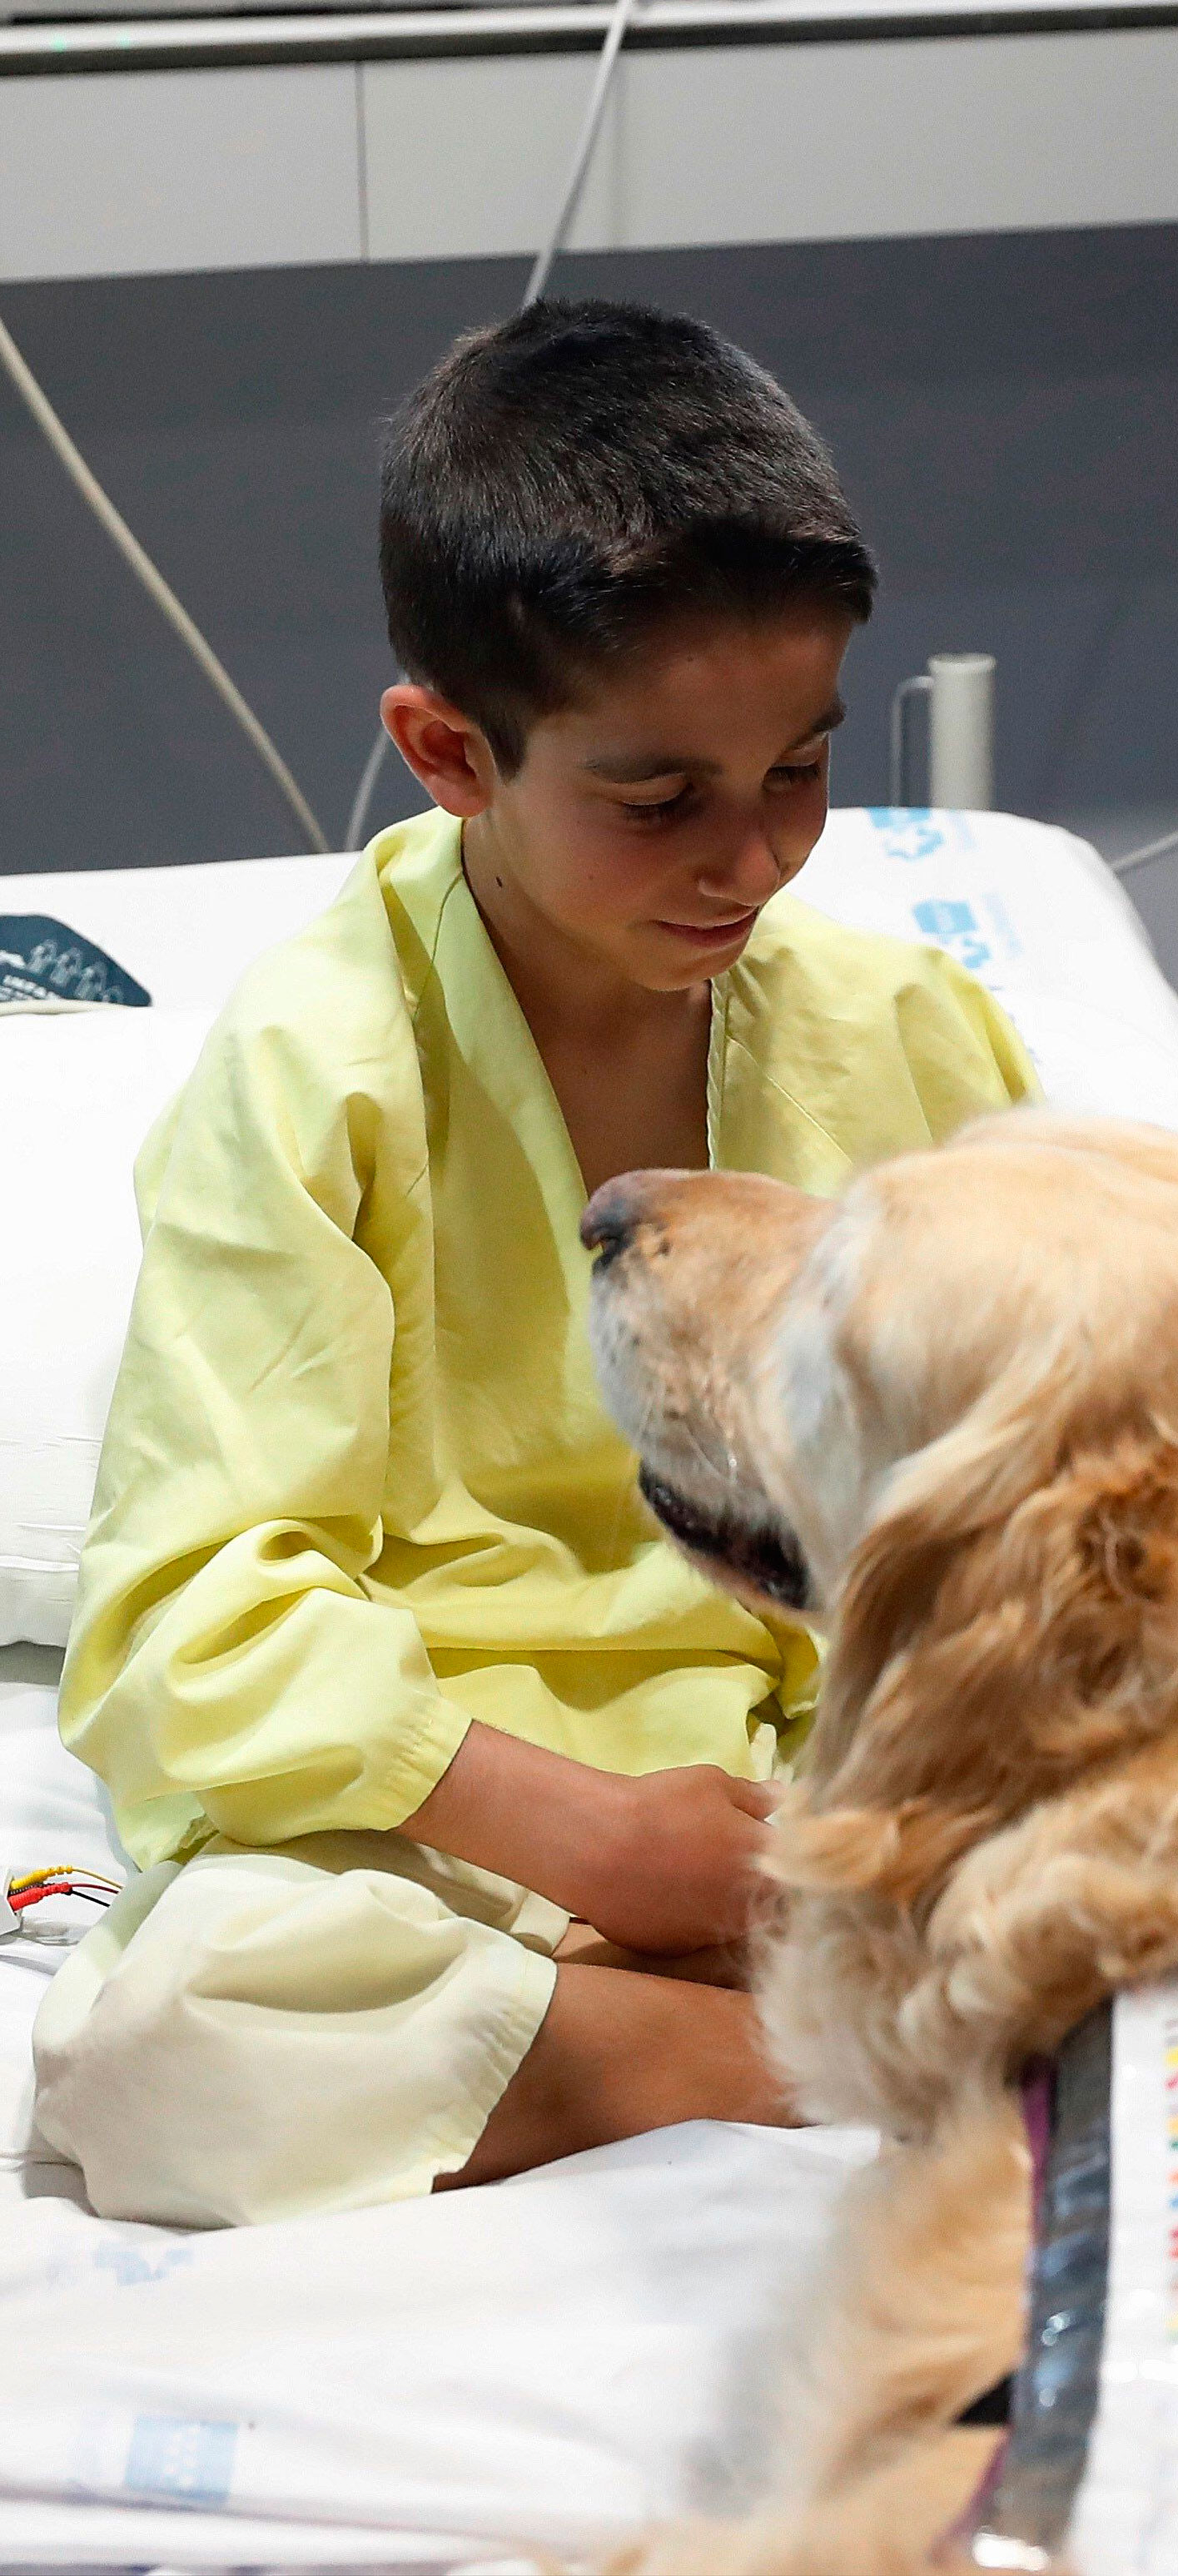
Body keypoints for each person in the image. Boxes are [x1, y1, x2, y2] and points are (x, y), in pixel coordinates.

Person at [31, 298, 1036, 2229]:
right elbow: (191, 1614)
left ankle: (754, 2018)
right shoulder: (320, 1064)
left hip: (846, 1796)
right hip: (468, 1807)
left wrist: (863, 1823)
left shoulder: (909, 1030)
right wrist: (603, 1845)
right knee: (163, 2041)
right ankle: (788, 2062)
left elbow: (1012, 1494)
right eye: (657, 800)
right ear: (448, 752)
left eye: (802, 775)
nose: (747, 864)